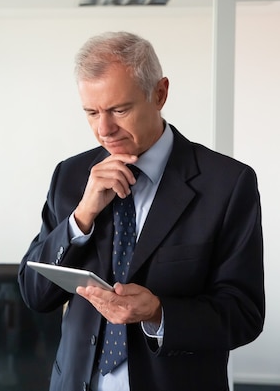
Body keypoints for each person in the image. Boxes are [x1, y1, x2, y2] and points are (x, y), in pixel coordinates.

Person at [17, 31, 264, 391]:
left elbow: (244, 314)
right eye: (92, 112)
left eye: (119, 109)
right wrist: (81, 216)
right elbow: (35, 294)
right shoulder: (70, 176)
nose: (104, 129)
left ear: (160, 94)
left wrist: (159, 313)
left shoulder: (226, 184)